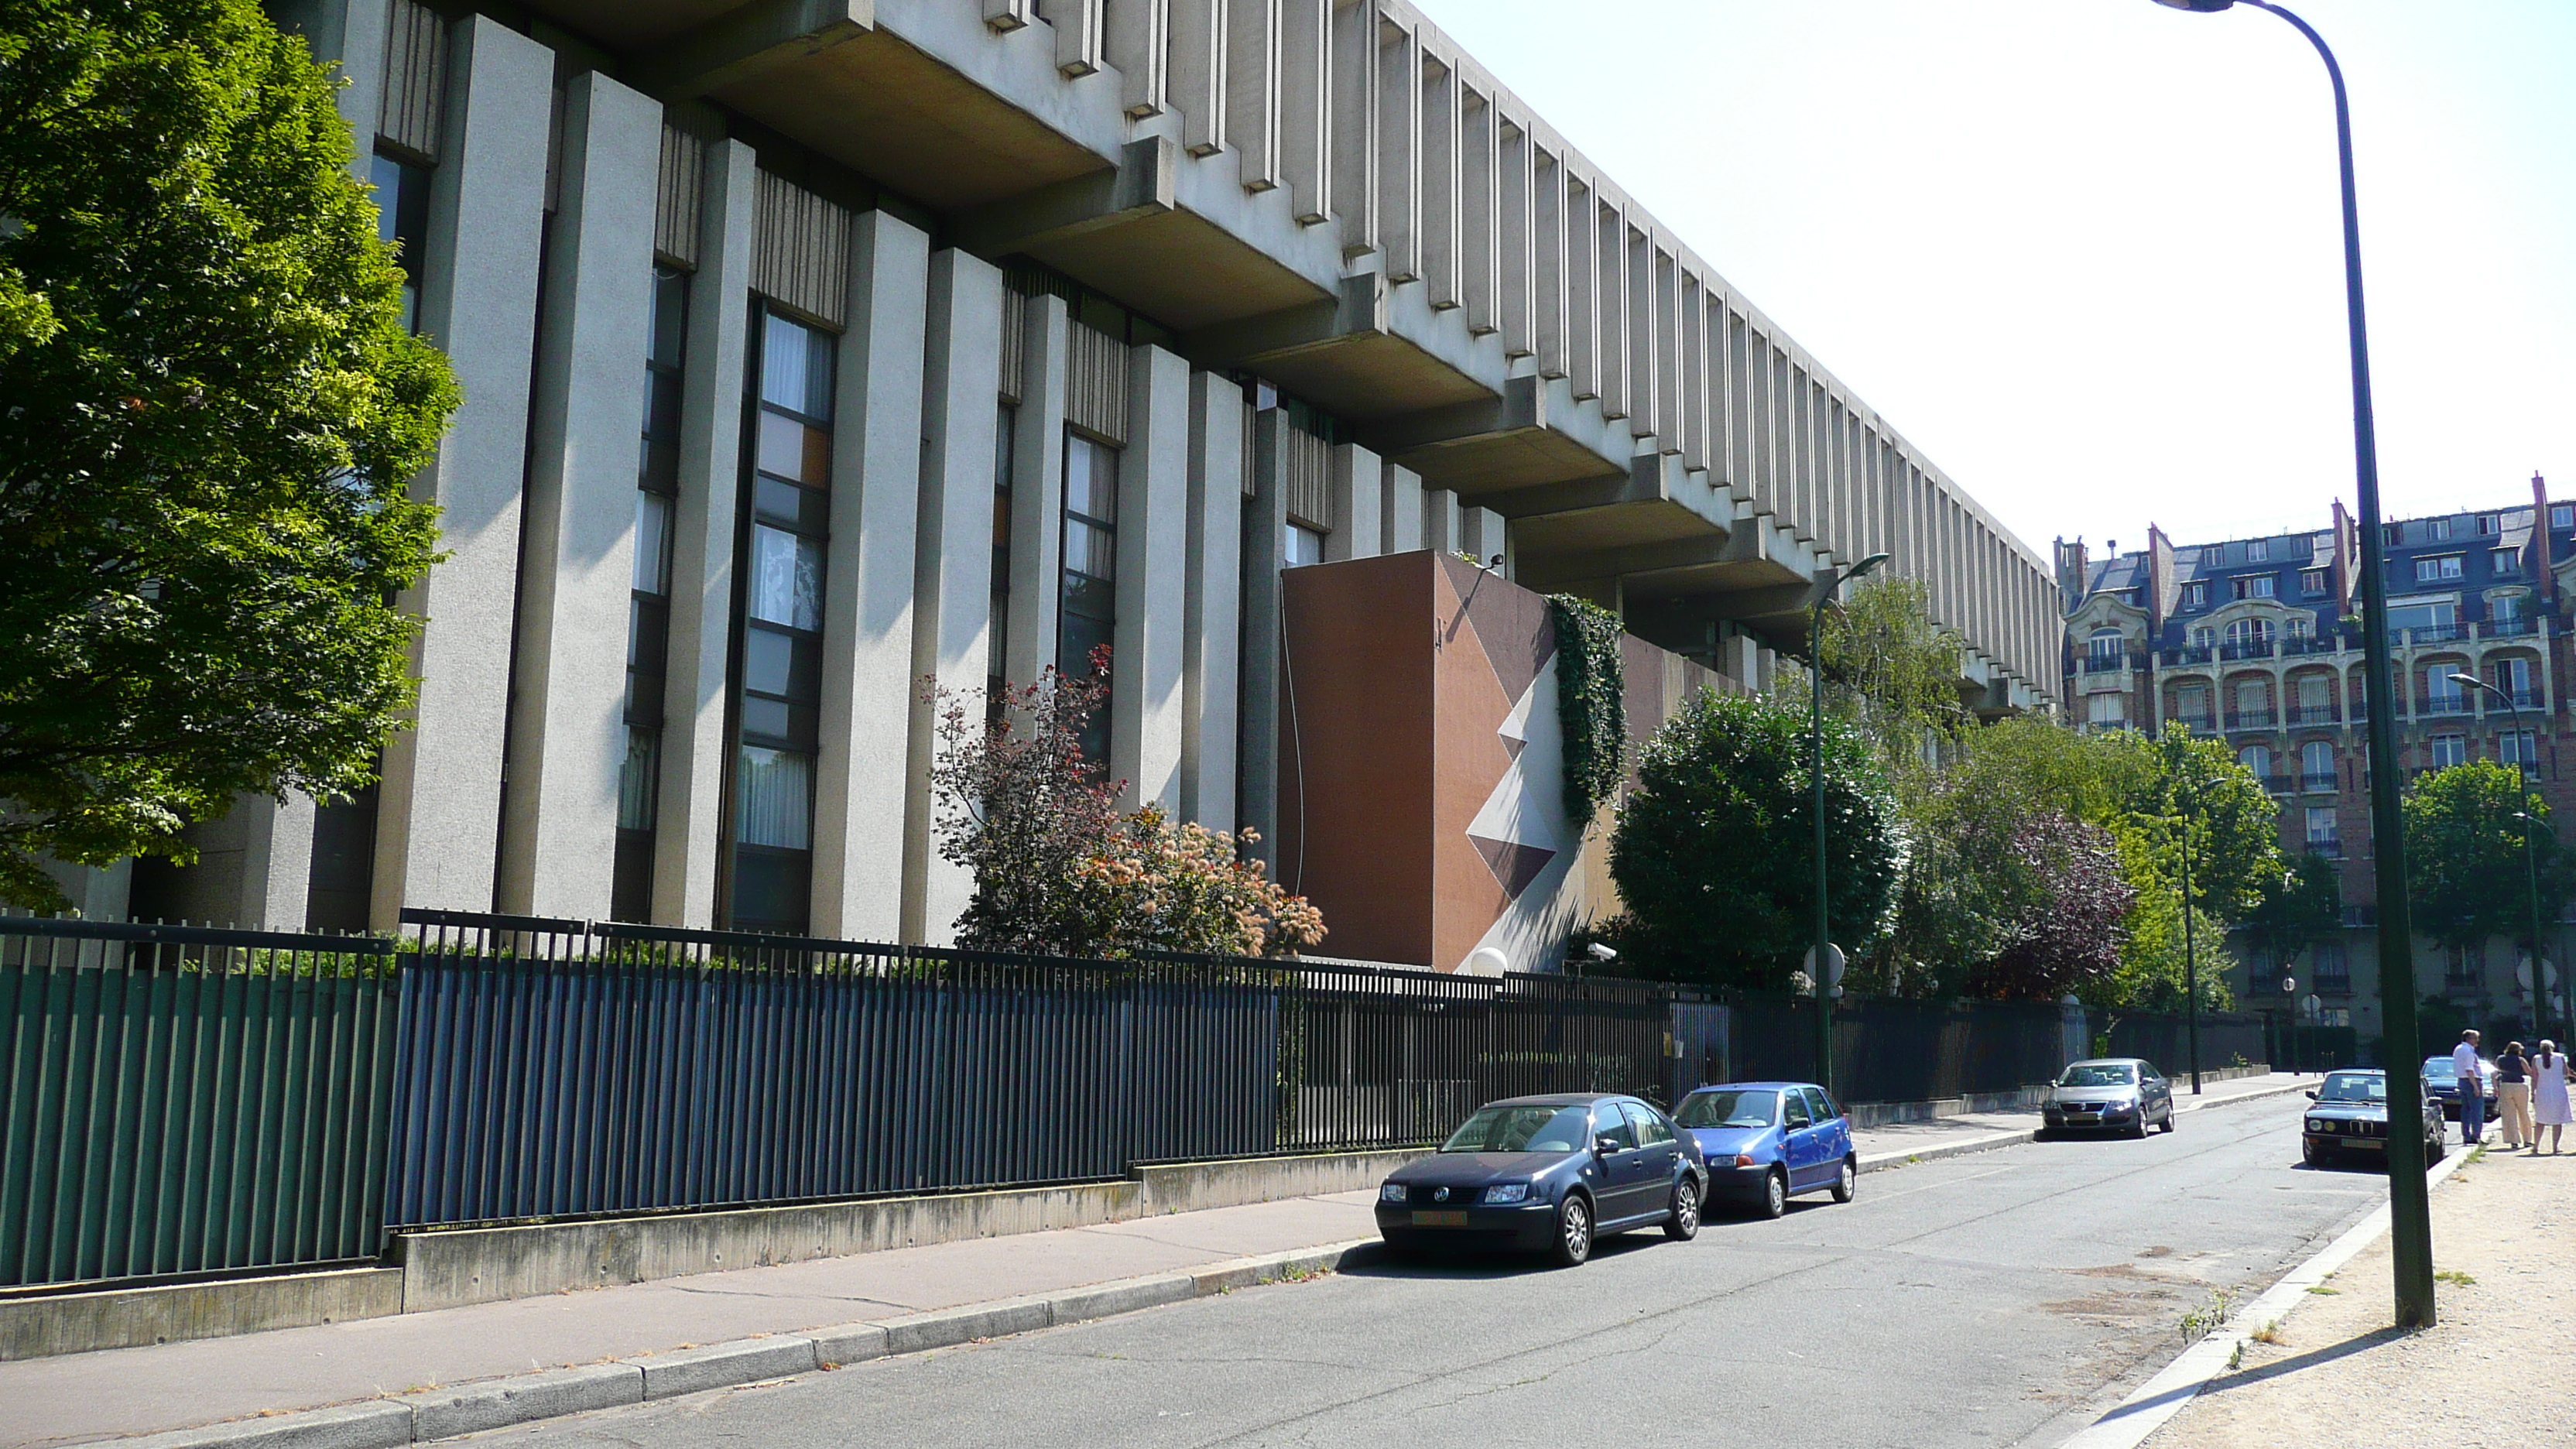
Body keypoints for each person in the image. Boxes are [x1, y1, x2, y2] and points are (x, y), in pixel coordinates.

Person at [2534, 1040, 2574, 1155]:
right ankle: (2555, 1147)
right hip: (2559, 1091)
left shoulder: (2536, 1059)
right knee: (2558, 1121)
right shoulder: (2560, 1057)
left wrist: (2533, 1092)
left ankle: (2536, 1147)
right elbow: (2566, 1072)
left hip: (2543, 1091)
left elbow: (2535, 1077)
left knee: (2540, 1120)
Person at [2496, 1040, 2534, 1149]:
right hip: (2519, 1085)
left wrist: (2496, 1086)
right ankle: (2527, 1139)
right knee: (2523, 1113)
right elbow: (2529, 1072)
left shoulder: (2500, 1059)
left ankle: (2513, 1140)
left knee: (2509, 1114)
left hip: (2505, 1085)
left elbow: (2496, 1072)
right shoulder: (2521, 1060)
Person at [2452, 1029, 2486, 1146]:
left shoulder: (2458, 1049)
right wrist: (2476, 1087)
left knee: (2466, 1110)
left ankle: (2466, 1135)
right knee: (2477, 1110)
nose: (2477, 1041)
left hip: (2461, 1081)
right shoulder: (2468, 1051)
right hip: (2472, 1081)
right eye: (2475, 1038)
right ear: (2468, 1039)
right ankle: (2476, 1135)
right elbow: (2469, 1070)